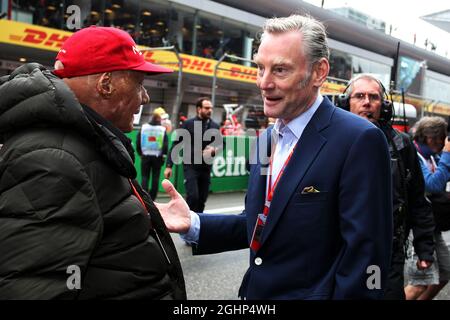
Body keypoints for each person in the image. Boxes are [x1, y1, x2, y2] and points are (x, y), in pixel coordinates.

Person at [156, 14, 393, 299]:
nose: (264, 83)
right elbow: (260, 222)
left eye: (280, 70)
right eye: (260, 68)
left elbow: (367, 258)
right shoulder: (267, 139)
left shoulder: (359, 139)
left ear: (319, 72)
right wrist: (194, 222)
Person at [0, 26, 186, 299]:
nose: (144, 97)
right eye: (139, 84)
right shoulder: (54, 159)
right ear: (106, 85)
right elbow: (32, 288)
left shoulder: (86, 141)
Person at [342, 74, 435, 300]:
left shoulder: (402, 145)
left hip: (388, 252)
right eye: (359, 96)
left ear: (383, 105)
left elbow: (417, 201)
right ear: (346, 103)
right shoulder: (332, 140)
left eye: (373, 97)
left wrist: (424, 247)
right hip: (342, 250)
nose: (367, 102)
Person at [405, 116, 450, 300]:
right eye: (442, 138)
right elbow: (433, 185)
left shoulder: (431, 156)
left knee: (445, 272)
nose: (444, 142)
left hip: (433, 224)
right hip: (418, 227)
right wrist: (447, 156)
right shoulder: (415, 156)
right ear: (431, 138)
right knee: (419, 283)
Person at [164, 97, 223, 213]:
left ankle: (199, 223)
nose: (210, 110)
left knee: (202, 199)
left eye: (211, 108)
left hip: (206, 167)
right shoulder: (188, 124)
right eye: (206, 108)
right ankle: (187, 221)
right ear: (199, 109)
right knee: (193, 196)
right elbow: (176, 145)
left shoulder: (215, 126)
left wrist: (214, 150)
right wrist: (169, 165)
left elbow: (221, 144)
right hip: (190, 165)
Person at [136, 112, 169, 200]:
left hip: (145, 155)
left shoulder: (143, 127)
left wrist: (140, 153)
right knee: (155, 177)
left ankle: (144, 197)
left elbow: (138, 141)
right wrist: (163, 156)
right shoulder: (162, 129)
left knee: (145, 177)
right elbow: (165, 145)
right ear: (159, 120)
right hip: (157, 156)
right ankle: (153, 198)